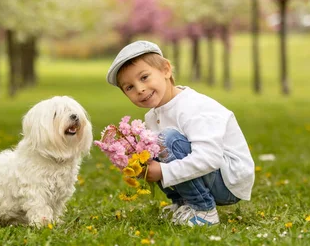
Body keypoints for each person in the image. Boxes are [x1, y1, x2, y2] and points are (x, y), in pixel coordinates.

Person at [106, 40, 255, 227]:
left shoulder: (192, 106)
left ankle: (204, 210)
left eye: (144, 77)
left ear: (166, 70)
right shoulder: (151, 116)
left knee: (166, 139)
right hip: (212, 176)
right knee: (149, 145)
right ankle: (183, 204)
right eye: (129, 87)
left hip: (228, 181)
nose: (140, 89)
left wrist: (163, 171)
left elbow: (210, 158)